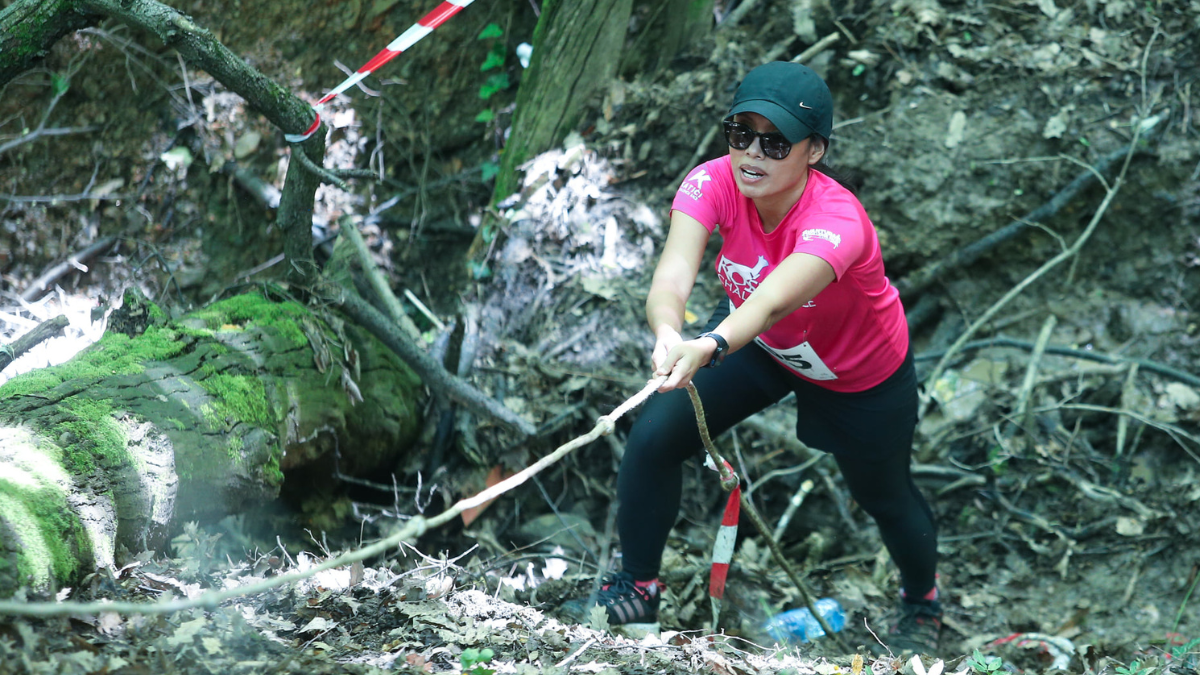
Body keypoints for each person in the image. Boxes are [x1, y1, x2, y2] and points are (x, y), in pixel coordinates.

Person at [569, 62, 941, 654]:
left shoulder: (837, 221)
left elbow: (770, 302)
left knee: (885, 496)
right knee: (656, 435)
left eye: (775, 142)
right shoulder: (710, 183)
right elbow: (672, 273)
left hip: (859, 373)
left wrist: (709, 344)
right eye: (740, 133)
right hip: (763, 348)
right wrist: (669, 332)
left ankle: (923, 601)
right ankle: (638, 586)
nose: (752, 154)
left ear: (813, 150)